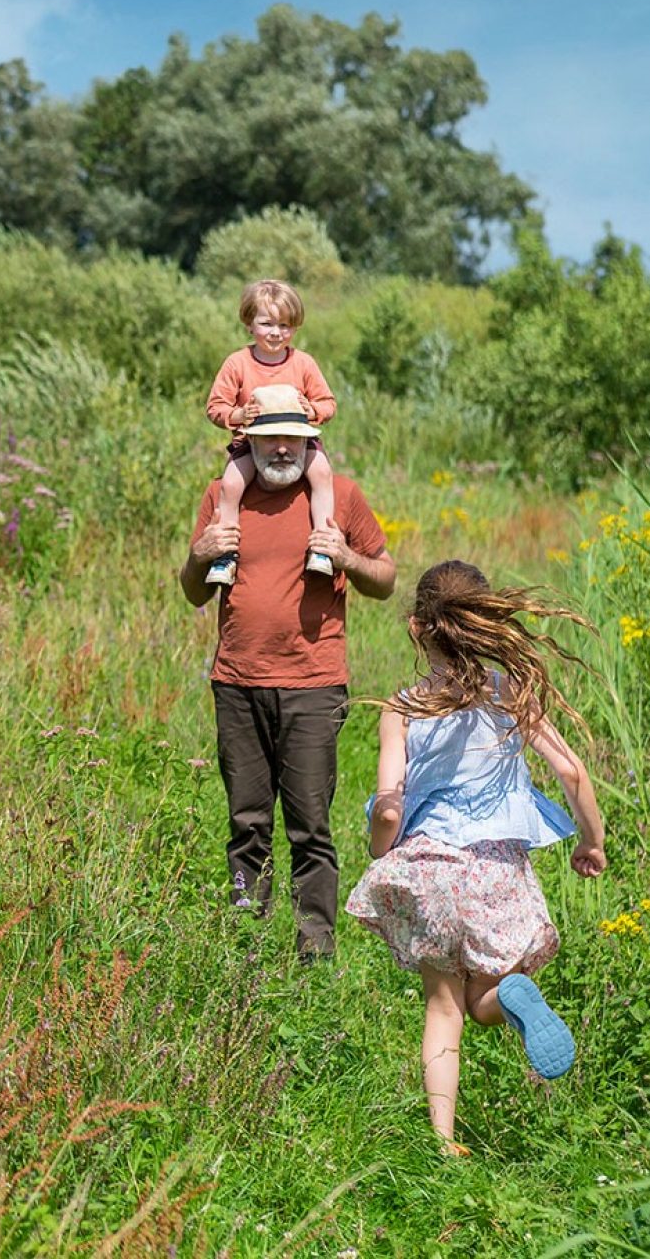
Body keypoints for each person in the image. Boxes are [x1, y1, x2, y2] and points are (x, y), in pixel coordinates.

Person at [346, 560, 606, 1155]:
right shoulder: (509, 691)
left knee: (444, 1007)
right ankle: (511, 995)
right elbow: (572, 771)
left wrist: (381, 853)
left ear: (417, 628)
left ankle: (443, 1141)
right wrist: (591, 841)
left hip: (431, 868)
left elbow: (389, 806)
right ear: (485, 625)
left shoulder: (402, 707)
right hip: (495, 871)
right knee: (487, 998)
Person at [180, 388, 396, 962]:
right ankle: (245, 945)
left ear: (309, 439)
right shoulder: (223, 496)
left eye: (292, 437)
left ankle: (314, 952)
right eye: (269, 437)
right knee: (246, 822)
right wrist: (201, 553)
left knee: (309, 825)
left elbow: (386, 578)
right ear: (247, 440)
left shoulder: (339, 497)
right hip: (237, 682)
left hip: (313, 685)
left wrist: (346, 558)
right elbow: (193, 592)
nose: (281, 447)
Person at [205, 278, 337, 585]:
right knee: (231, 485)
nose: (276, 333)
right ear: (249, 324)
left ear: (295, 327)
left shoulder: (304, 363)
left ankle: (322, 546)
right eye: (267, 324)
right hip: (251, 442)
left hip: (298, 442)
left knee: (322, 473)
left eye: (285, 325)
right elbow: (215, 407)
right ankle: (226, 555)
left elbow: (328, 403)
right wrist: (238, 415)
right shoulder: (237, 363)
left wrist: (312, 410)